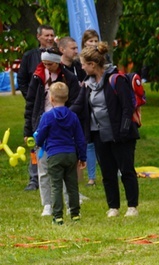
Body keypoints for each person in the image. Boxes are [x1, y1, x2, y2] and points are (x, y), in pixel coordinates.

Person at [71, 42, 141, 217]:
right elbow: (78, 105)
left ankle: (132, 206)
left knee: (126, 170)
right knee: (108, 172)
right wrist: (60, 115)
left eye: (83, 64)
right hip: (99, 134)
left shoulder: (116, 80)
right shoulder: (87, 84)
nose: (82, 67)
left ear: (92, 65)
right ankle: (113, 207)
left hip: (121, 134)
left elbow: (127, 107)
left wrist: (124, 130)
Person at [24, 47, 81, 217]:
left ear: (58, 62)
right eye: (44, 63)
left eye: (50, 64)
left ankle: (68, 203)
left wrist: (66, 116)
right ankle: (47, 204)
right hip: (42, 123)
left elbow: (77, 100)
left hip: (62, 124)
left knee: (63, 171)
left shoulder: (69, 77)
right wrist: (28, 130)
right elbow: (30, 103)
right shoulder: (38, 77)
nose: (47, 66)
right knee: (43, 167)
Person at [34, 82, 87, 225]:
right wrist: (82, 157)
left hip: (54, 155)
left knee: (56, 186)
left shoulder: (47, 116)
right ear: (67, 97)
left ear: (51, 98)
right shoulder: (73, 116)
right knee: (72, 186)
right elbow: (80, 139)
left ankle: (58, 216)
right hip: (70, 154)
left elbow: (39, 137)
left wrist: (37, 140)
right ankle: (75, 213)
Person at [18, 24, 56, 191]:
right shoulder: (29, 56)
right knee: (35, 142)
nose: (49, 38)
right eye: (46, 35)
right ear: (39, 37)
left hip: (56, 106)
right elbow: (22, 81)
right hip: (37, 109)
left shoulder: (57, 55)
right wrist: (32, 98)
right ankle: (34, 178)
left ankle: (56, 176)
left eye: (51, 35)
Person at [80, 29, 104, 187]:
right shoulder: (82, 67)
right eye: (91, 41)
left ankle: (113, 170)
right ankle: (91, 176)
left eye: (96, 41)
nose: (94, 44)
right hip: (89, 115)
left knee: (106, 144)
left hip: (104, 119)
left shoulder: (104, 66)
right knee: (89, 144)